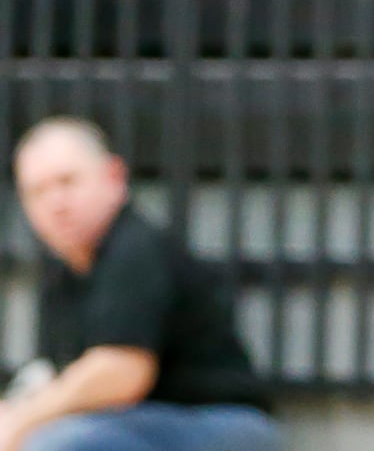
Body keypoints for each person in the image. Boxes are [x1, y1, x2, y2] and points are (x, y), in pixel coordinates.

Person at [0, 118, 280, 451]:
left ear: (114, 177)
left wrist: (23, 419)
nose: (56, 203)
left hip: (219, 422)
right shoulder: (64, 275)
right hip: (135, 425)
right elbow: (53, 375)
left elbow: (122, 373)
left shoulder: (135, 249)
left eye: (68, 182)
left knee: (58, 444)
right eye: (38, 191)